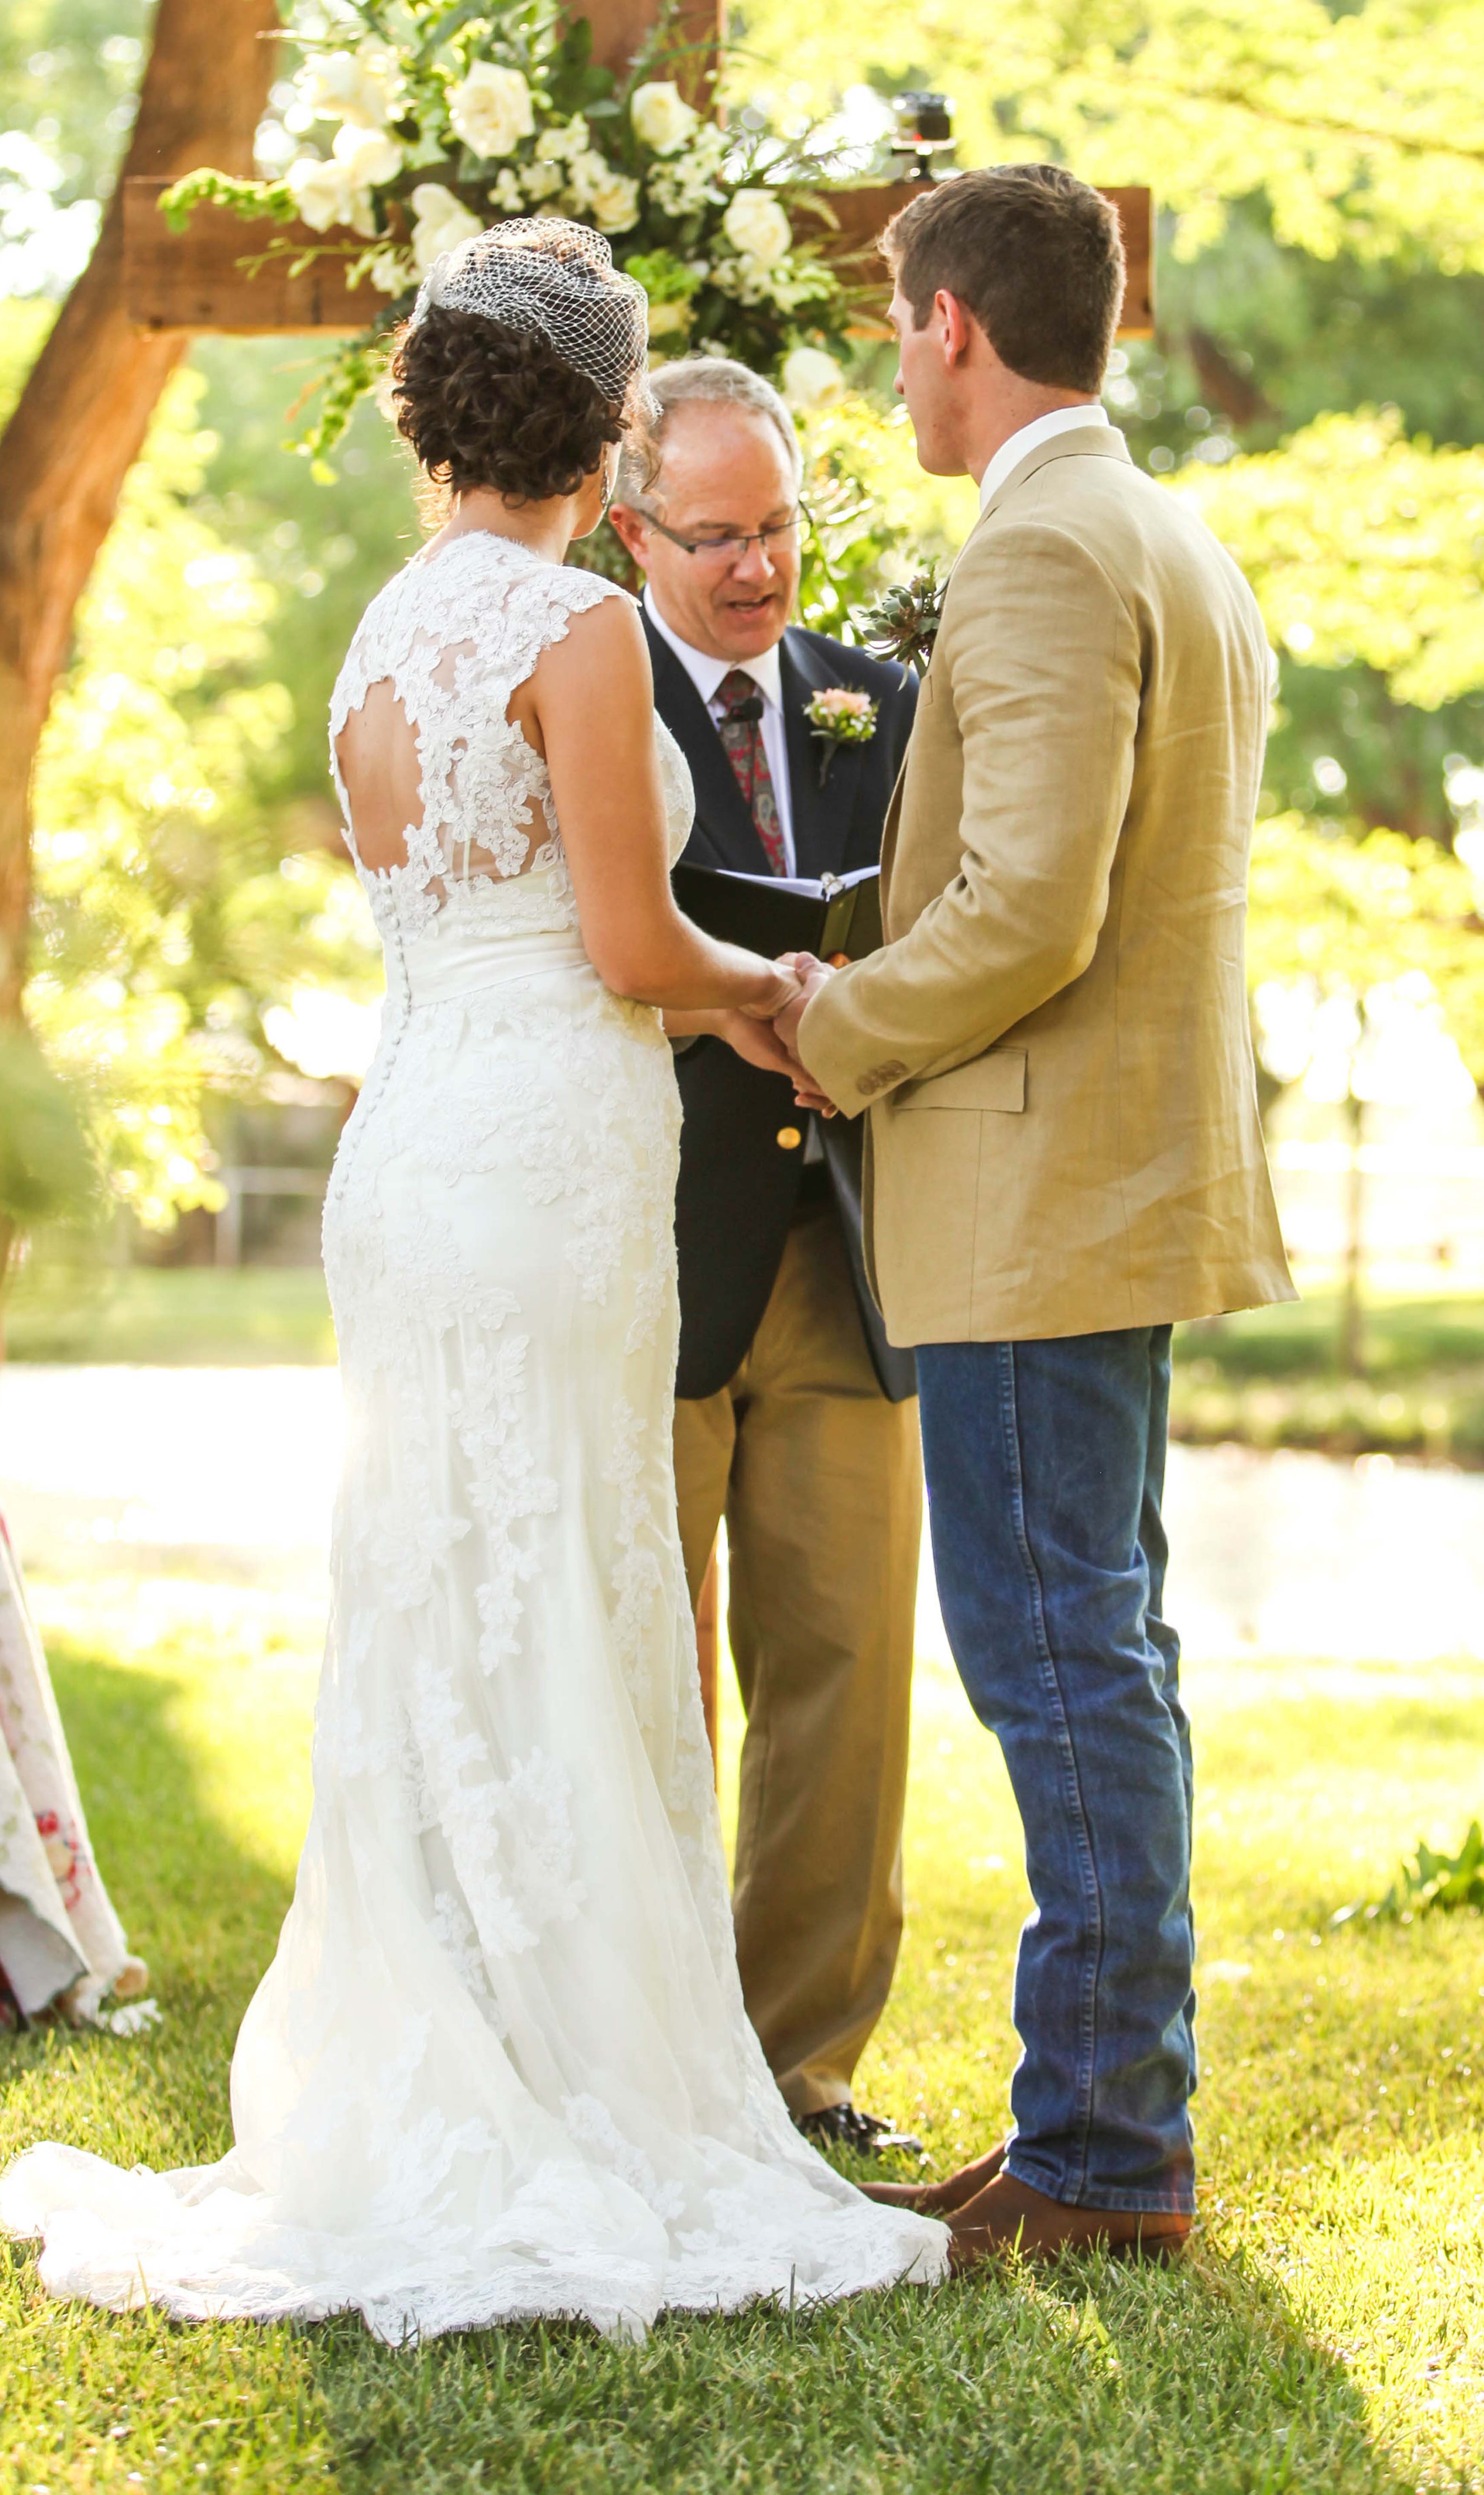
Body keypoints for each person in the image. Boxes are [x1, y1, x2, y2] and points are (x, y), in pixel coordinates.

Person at [0, 220, 947, 2339]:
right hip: (550, 1149)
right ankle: (585, 2090)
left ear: (436, 414)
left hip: (418, 1149)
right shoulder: (577, 631)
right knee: (581, 1583)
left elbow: (456, 920)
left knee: (440, 1594)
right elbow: (625, 950)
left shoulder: (377, 638)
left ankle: (446, 2058)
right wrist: (784, 986)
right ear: (605, 428)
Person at [775, 164, 1293, 2273]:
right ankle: (1088, 2127)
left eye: (902, 326)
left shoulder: (1047, 550)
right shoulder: (1161, 530)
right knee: (1101, 1653)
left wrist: (836, 1026)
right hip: (1100, 1185)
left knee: (1065, 1669)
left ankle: (1102, 2161)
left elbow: (1028, 906)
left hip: (1032, 1194)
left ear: (962, 325)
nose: (898, 362)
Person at [608, 357, 921, 2159]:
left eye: (779, 525)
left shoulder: (879, 701)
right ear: (634, 527)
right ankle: (649, 2064)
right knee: (643, 1664)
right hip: (647, 1249)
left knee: (845, 1668)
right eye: (715, 534)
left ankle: (798, 2069)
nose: (755, 567)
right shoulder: (580, 685)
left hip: (853, 1254)